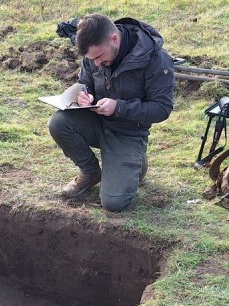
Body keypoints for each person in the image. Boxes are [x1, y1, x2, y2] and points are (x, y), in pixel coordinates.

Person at [48, 14, 174, 211]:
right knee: (59, 123)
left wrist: (119, 106)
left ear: (114, 39)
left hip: (128, 133)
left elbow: (162, 108)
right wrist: (84, 94)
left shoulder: (156, 59)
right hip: (97, 121)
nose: (96, 63)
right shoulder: (95, 52)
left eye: (99, 57)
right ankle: (90, 173)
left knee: (113, 203)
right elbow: (86, 82)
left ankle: (136, 162)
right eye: (91, 59)